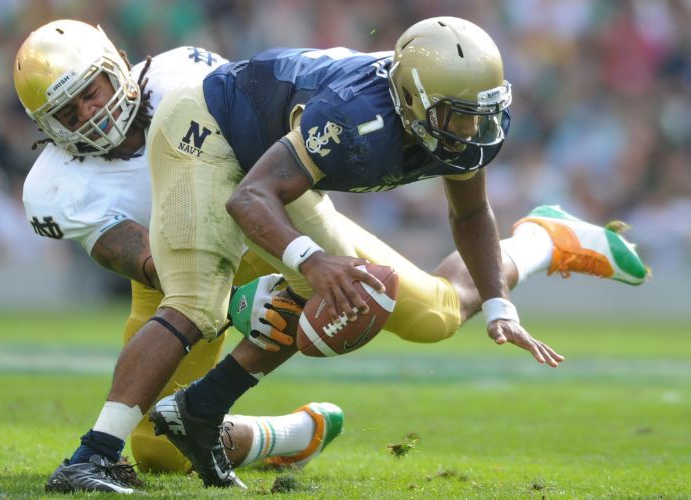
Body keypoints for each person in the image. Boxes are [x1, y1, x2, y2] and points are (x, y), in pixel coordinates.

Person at [142, 16, 648, 488]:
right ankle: (255, 428)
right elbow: (218, 209)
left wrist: (498, 303)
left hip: (278, 195)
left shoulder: (445, 122)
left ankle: (544, 239)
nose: (470, 131)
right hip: (226, 187)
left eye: (479, 114)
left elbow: (470, 214)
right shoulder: (354, 113)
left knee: (431, 315)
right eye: (456, 115)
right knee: (154, 448)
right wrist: (275, 279)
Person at [13, 20, 345, 493]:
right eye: (68, 112)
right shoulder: (54, 189)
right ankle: (294, 434)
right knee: (156, 450)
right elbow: (152, 264)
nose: (90, 113)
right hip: (176, 267)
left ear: (119, 67)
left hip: (271, 225)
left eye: (92, 91)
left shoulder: (186, 74)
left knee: (425, 313)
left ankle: (489, 274)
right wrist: (231, 299)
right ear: (47, 128)